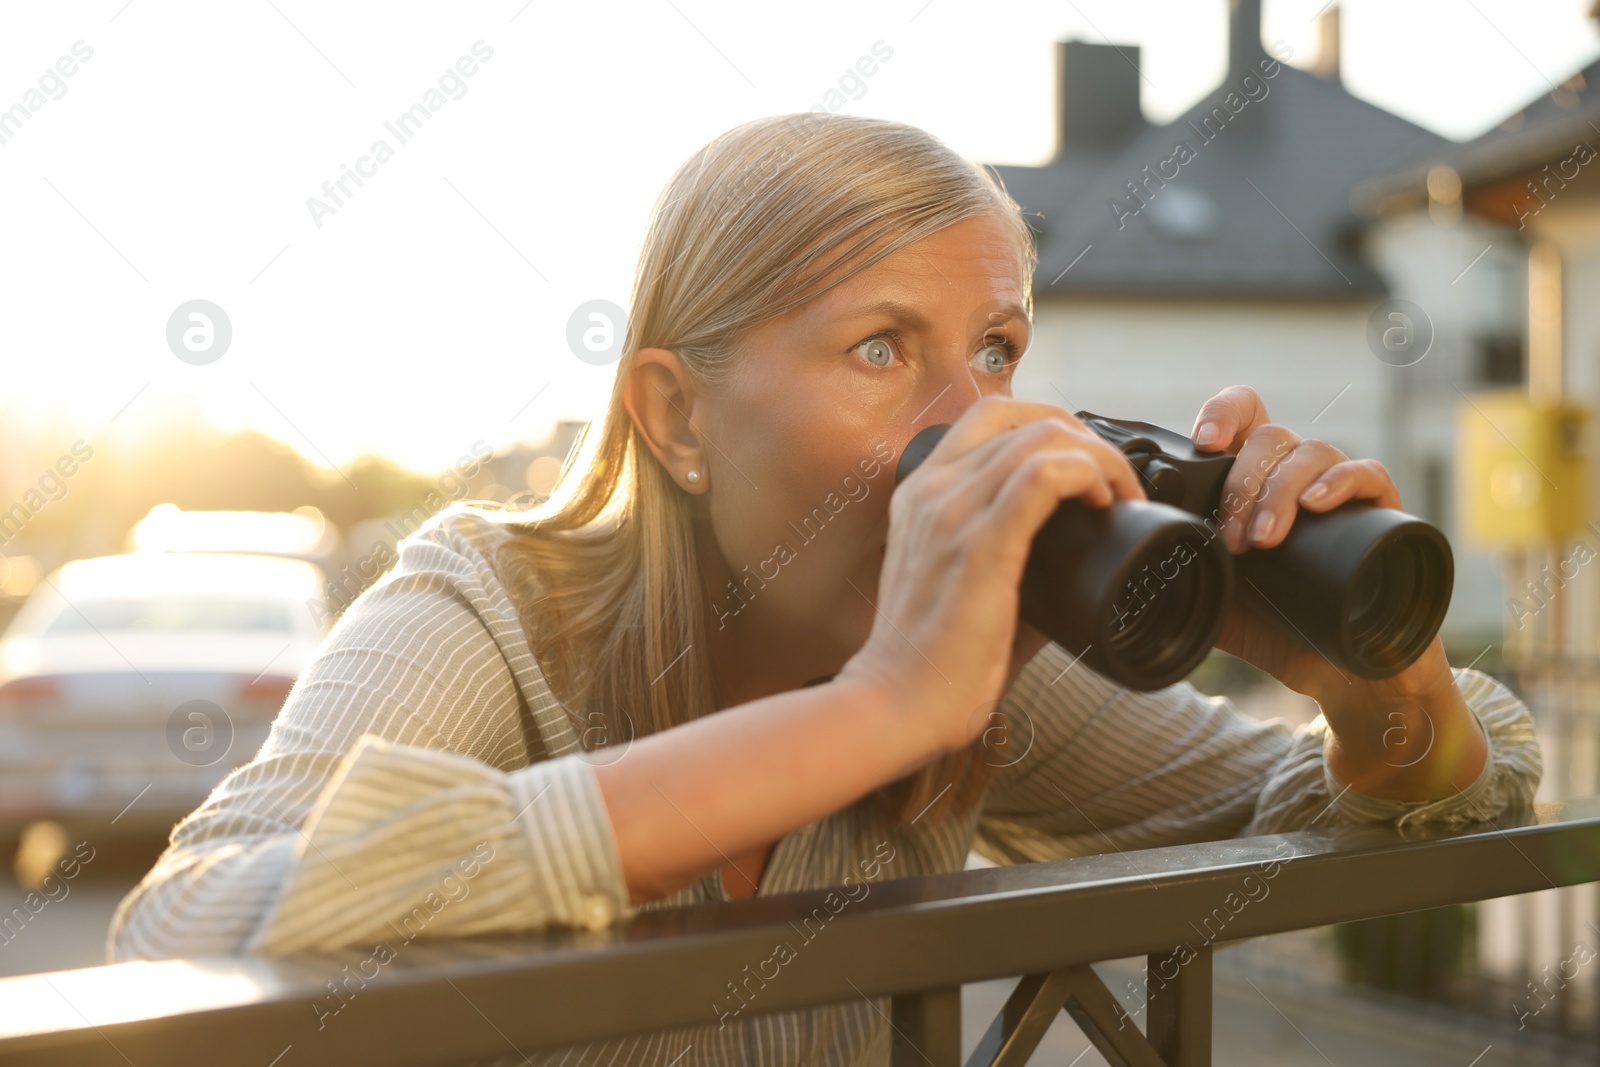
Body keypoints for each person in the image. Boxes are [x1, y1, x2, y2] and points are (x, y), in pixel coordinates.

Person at [108, 112, 1542, 1066]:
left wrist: (1370, 686)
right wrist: (879, 709)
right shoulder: (492, 608)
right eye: (877, 349)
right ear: (677, 420)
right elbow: (187, 935)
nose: (970, 415)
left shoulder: (982, 673)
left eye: (993, 352)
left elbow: (1349, 814)